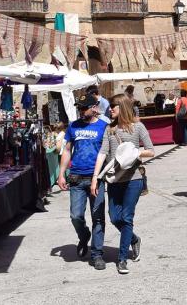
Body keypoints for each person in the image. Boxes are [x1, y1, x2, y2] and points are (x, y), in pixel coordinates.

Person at [90, 95, 154, 274]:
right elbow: (103, 153)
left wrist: (134, 153)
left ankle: (122, 259)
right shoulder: (109, 129)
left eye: (113, 106)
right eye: (110, 106)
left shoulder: (138, 127)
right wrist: (96, 177)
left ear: (123, 107)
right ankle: (134, 239)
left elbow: (151, 150)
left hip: (133, 180)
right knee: (114, 217)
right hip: (114, 180)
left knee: (126, 217)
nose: (110, 109)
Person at [57, 94, 110, 270]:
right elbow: (66, 150)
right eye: (79, 108)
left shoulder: (104, 127)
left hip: (97, 179)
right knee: (76, 216)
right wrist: (61, 173)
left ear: (94, 107)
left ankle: (97, 254)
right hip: (77, 178)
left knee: (98, 217)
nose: (81, 111)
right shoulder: (73, 126)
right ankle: (84, 234)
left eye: (84, 108)